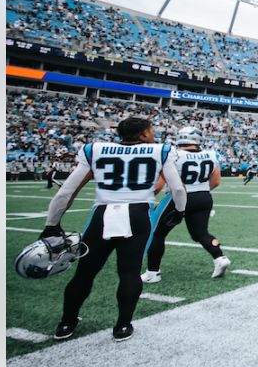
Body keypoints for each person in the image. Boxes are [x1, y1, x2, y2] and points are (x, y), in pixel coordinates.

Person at [38, 116, 187, 342]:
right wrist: (179, 211)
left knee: (84, 273)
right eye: (152, 130)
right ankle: (123, 326)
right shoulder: (161, 150)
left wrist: (52, 224)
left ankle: (67, 322)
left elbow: (66, 192)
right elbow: (177, 188)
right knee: (129, 272)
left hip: (102, 214)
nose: (154, 134)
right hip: (138, 214)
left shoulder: (95, 149)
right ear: (145, 134)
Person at [141, 126, 230, 283]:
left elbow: (160, 185)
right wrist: (198, 191)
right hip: (204, 196)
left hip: (177, 197)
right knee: (201, 233)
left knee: (157, 234)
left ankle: (152, 272)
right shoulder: (210, 153)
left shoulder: (173, 154)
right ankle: (219, 257)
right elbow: (216, 181)